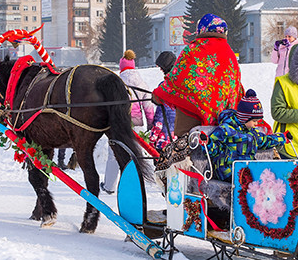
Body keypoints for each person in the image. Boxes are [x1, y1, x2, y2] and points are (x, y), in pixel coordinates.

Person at [152, 14, 245, 137]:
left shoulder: (193, 50)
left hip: (192, 129)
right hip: (224, 130)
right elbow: (236, 89)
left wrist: (157, 96)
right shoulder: (230, 55)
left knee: (188, 153)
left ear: (201, 29)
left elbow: (175, 81)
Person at [101, 50, 156, 194]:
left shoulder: (117, 82)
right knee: (135, 154)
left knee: (114, 153)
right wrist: (150, 124)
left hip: (118, 123)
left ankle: (109, 186)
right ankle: (136, 184)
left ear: (122, 67)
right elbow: (148, 107)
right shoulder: (141, 82)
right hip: (136, 124)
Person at [203, 90, 287, 182]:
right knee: (250, 181)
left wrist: (282, 138)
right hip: (228, 170)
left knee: (266, 178)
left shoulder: (252, 133)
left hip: (246, 169)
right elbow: (215, 149)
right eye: (254, 121)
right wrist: (207, 142)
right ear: (244, 118)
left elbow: (265, 140)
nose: (256, 124)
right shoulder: (226, 130)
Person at [150, 51, 177, 151]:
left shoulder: (164, 87)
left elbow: (160, 115)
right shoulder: (183, 85)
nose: (160, 69)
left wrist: (153, 135)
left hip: (165, 139)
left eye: (161, 67)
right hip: (182, 139)